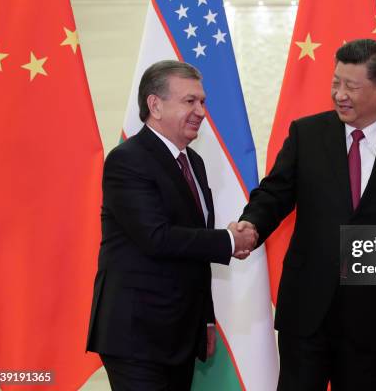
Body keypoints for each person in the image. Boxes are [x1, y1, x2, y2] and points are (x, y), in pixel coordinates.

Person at [237, 39, 376, 390]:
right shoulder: (307, 135)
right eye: (336, 82)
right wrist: (251, 225)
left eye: (351, 85)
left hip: (370, 312)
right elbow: (274, 193)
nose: (339, 94)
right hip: (306, 307)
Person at [86, 60, 257, 391]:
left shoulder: (193, 162)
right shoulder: (128, 160)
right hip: (136, 335)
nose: (201, 111)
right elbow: (156, 238)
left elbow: (193, 255)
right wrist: (228, 241)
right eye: (189, 101)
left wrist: (205, 319)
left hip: (179, 334)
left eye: (203, 101)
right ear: (155, 105)